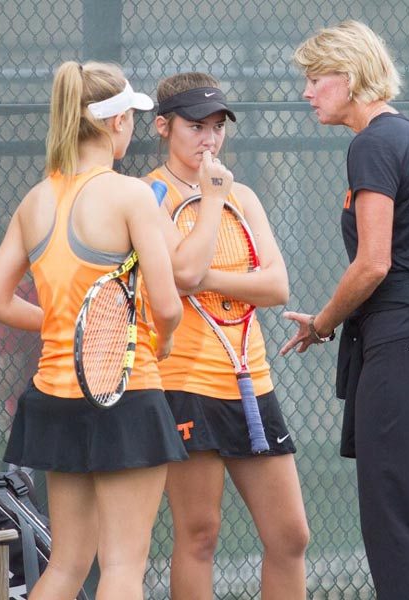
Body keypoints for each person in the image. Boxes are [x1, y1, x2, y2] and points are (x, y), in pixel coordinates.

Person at [0, 61, 233, 600]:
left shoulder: (35, 200)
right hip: (128, 396)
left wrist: (67, 329)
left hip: (52, 398)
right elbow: (167, 306)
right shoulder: (130, 195)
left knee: (67, 566)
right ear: (117, 123)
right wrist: (156, 343)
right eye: (132, 117)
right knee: (122, 568)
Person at [283, 21, 409, 600]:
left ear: (349, 76)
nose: (307, 92)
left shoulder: (371, 143)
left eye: (316, 79)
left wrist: (321, 324)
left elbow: (372, 264)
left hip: (408, 351)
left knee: (399, 530)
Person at [143, 71, 309, 600]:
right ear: (163, 127)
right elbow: (179, 276)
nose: (209, 139)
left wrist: (205, 278)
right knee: (200, 534)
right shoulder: (147, 195)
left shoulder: (246, 197)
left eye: (217, 126)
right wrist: (211, 202)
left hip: (251, 382)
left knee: (290, 535)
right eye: (196, 126)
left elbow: (276, 286)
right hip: (184, 383)